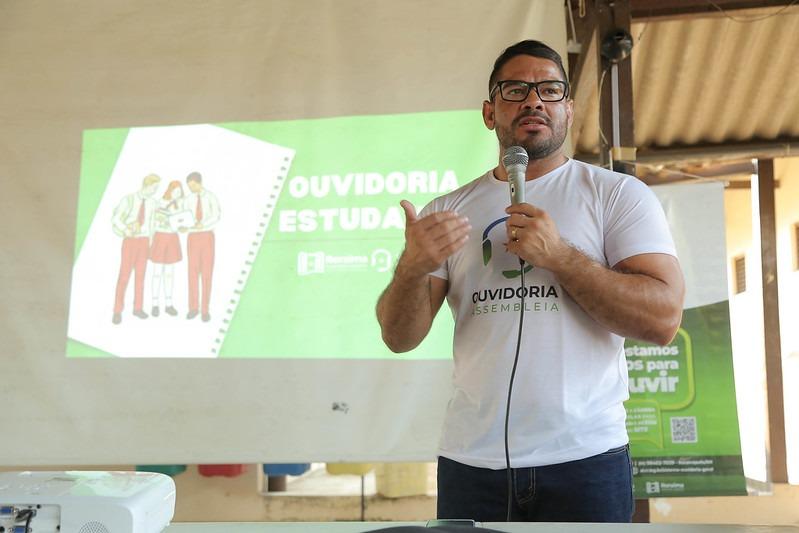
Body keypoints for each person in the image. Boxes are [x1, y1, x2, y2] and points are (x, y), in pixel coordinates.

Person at [376, 40, 685, 523]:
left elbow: (663, 319)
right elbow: (398, 337)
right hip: (471, 461)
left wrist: (560, 257)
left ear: (569, 109)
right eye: (515, 89)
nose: (533, 100)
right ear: (489, 112)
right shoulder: (446, 209)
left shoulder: (616, 195)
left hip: (585, 459)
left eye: (549, 89)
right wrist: (412, 267)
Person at [111, 173, 161, 324]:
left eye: (157, 188)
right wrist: (126, 230)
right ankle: (117, 311)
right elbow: (116, 218)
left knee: (140, 276)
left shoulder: (154, 203)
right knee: (124, 276)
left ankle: (137, 308)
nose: (155, 190)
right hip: (130, 241)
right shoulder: (129, 199)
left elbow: (152, 223)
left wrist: (151, 242)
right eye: (154, 187)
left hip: (145, 242)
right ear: (146, 185)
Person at [181, 172, 220, 322]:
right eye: (189, 187)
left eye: (193, 186)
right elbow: (184, 216)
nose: (191, 189)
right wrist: (183, 226)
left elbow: (216, 215)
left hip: (206, 236)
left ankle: (205, 310)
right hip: (192, 237)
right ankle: (193, 308)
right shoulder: (188, 199)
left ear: (200, 182)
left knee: (206, 273)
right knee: (192, 273)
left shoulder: (210, 197)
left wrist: (202, 224)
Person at [149, 180, 185, 317]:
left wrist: (182, 226)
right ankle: (155, 304)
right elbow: (153, 221)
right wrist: (151, 240)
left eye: (179, 192)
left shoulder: (181, 205)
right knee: (157, 272)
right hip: (160, 237)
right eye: (175, 191)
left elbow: (183, 222)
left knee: (170, 273)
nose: (178, 194)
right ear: (170, 190)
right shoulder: (160, 203)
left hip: (172, 238)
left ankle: (169, 304)